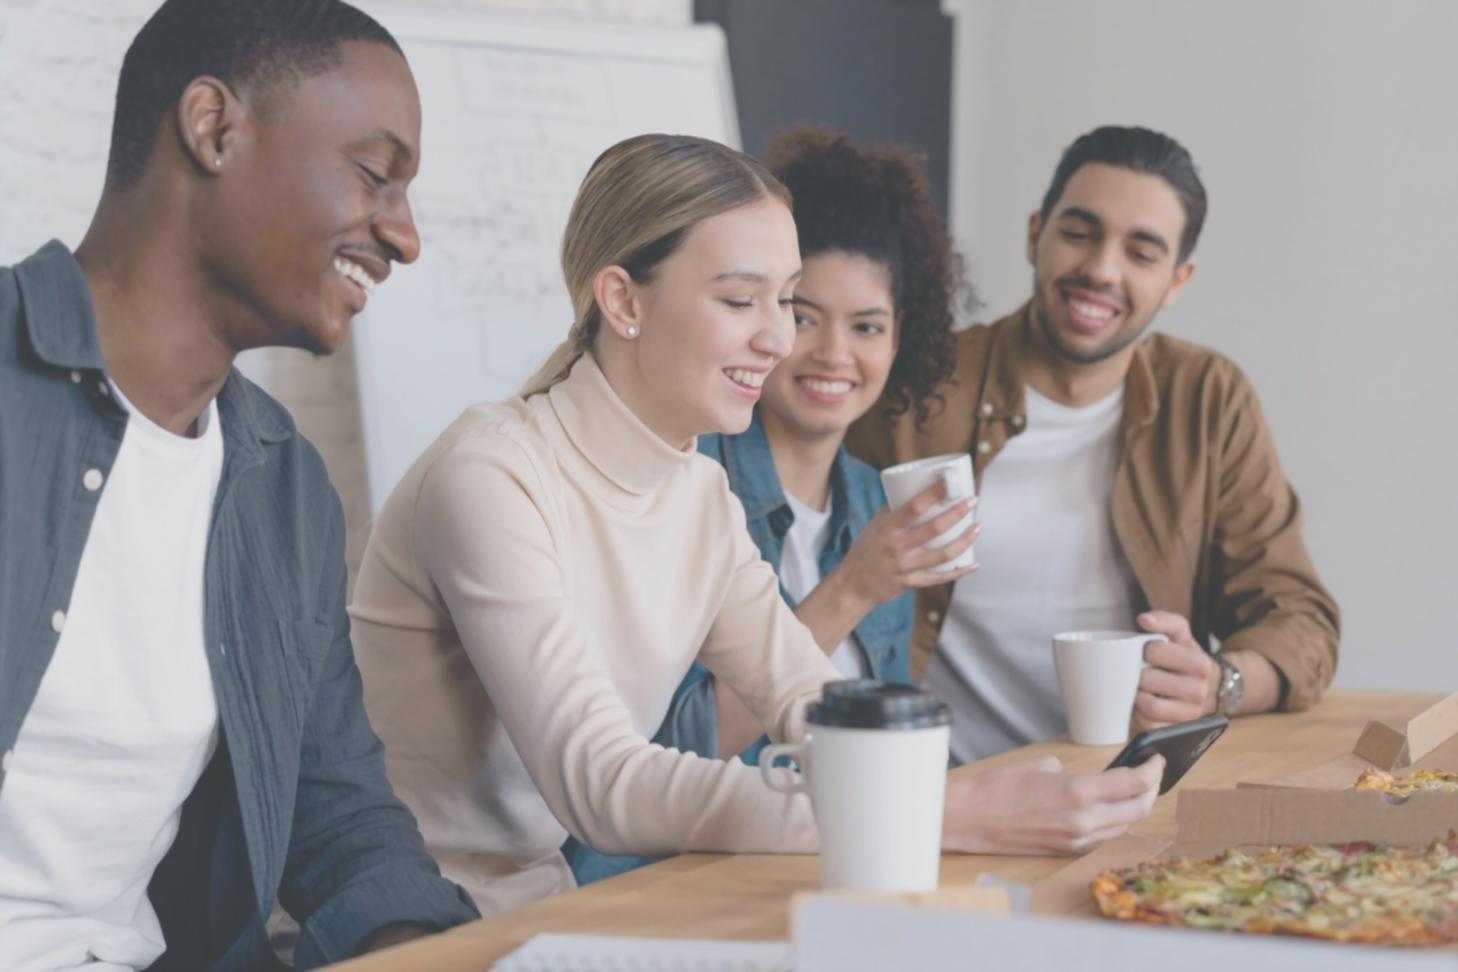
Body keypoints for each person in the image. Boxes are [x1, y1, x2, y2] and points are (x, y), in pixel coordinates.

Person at [351, 132, 1162, 918]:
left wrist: (974, 786)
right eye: (743, 300)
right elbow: (604, 787)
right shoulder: (491, 475)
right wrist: (942, 811)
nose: (778, 339)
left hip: (542, 911)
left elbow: (809, 702)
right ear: (623, 300)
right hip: (415, 927)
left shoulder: (697, 493)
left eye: (784, 299)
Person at [0, 1, 479, 968]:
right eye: (375, 175)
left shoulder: (281, 488)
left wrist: (414, 943)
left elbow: (334, 805)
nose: (406, 235)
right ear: (214, 128)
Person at [849, 125, 1340, 763]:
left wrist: (1220, 683)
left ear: (1177, 280)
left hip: (1129, 788)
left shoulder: (1209, 399)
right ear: (1036, 234)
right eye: (1080, 233)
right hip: (940, 788)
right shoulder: (920, 385)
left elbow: (1302, 620)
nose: (1100, 270)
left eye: (1141, 253)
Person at [564, 126, 977, 884]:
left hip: (813, 866)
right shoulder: (685, 479)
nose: (827, 352)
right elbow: (666, 754)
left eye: (867, 327)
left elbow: (865, 736)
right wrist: (854, 587)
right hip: (670, 882)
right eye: (802, 311)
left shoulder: (869, 502)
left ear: (900, 341)